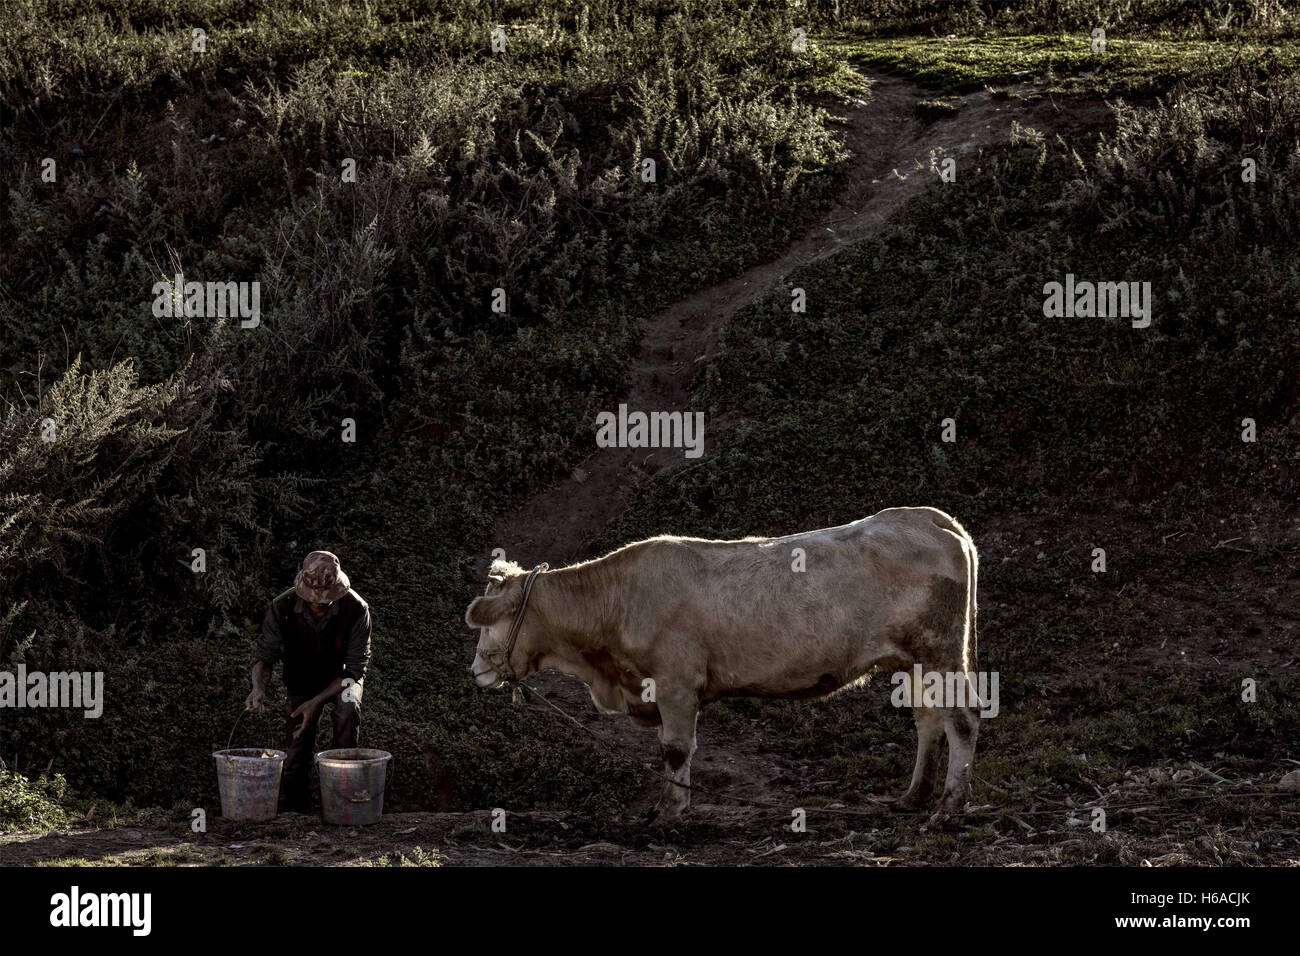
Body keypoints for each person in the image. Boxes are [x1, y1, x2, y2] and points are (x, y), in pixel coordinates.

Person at [246, 550, 372, 813]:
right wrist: (258, 688)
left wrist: (316, 703)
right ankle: (296, 812)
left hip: (342, 681)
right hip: (300, 680)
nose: (318, 603)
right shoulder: (281, 606)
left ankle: (343, 805)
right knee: (296, 744)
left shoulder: (356, 608)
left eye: (326, 599)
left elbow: (355, 669)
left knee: (347, 709)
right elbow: (265, 655)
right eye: (313, 599)